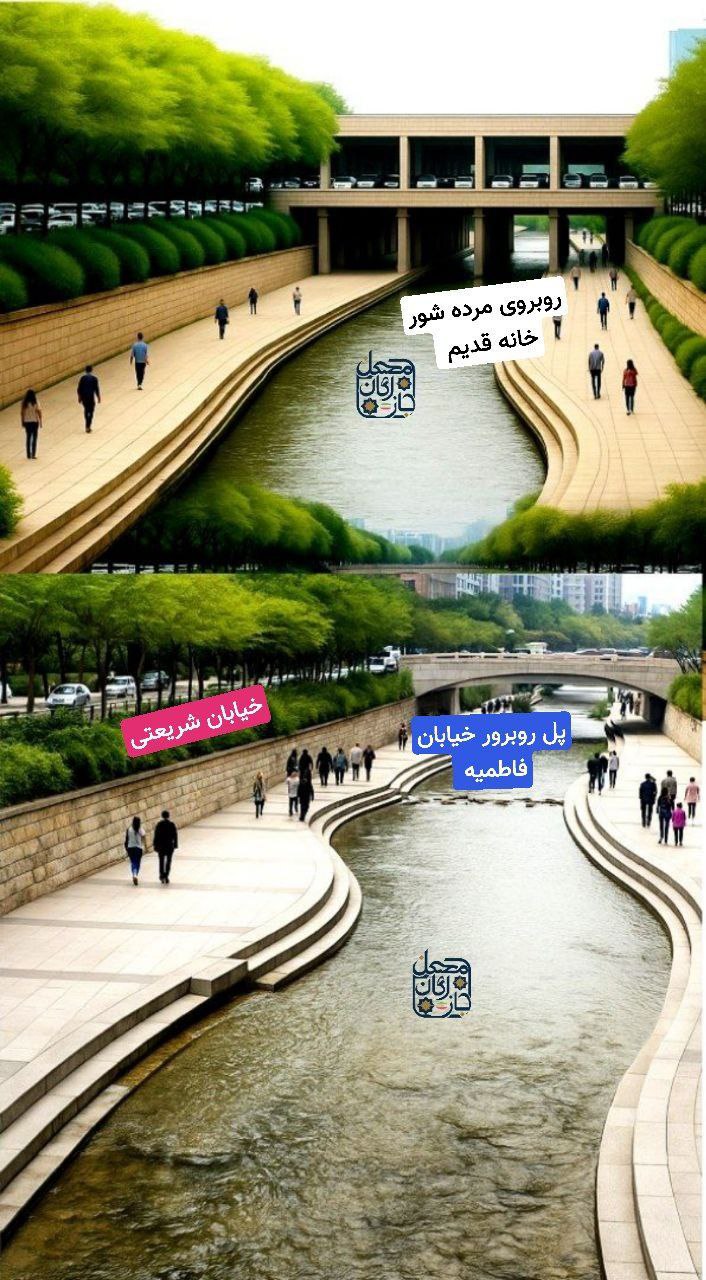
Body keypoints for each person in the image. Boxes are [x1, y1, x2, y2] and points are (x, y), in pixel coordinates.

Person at [153, 810, 178, 884]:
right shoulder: (171, 824)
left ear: (162, 816)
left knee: (161, 861)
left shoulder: (159, 824)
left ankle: (161, 876)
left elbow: (156, 835)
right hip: (169, 846)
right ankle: (166, 876)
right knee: (168, 861)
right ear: (168, 816)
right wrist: (175, 844)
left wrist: (155, 845)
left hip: (161, 846)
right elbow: (175, 835)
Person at [77, 364, 101, 433]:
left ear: (85, 370)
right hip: (91, 397)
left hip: (84, 397)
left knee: (86, 410)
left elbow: (79, 389)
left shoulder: (82, 378)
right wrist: (98, 397)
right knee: (91, 411)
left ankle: (86, 424)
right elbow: (96, 389)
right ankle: (88, 425)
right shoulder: (94, 378)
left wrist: (79, 397)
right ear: (91, 370)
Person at [20, 389, 42, 459]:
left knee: (28, 437)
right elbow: (39, 411)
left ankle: (28, 454)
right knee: (34, 438)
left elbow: (22, 413)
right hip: (34, 422)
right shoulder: (36, 402)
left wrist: (22, 421)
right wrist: (40, 421)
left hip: (27, 422)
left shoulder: (24, 403)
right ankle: (33, 454)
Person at [124, 815, 146, 885]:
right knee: (138, 863)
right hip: (138, 848)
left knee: (133, 862)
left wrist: (126, 849)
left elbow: (126, 840)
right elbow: (144, 837)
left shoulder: (129, 829)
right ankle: (135, 874)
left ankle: (134, 874)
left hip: (130, 848)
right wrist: (144, 846)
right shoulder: (140, 829)